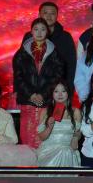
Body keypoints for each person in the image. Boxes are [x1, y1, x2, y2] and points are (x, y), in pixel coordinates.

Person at [13, 17, 66, 146]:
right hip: (28, 100)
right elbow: (18, 77)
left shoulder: (54, 52)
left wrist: (43, 94)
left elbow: (57, 76)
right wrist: (31, 94)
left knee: (43, 137)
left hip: (46, 101)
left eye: (43, 29)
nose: (39, 32)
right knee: (27, 136)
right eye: (36, 29)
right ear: (31, 31)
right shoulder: (22, 53)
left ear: (47, 32)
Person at [21, 2, 77, 93]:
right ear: (39, 15)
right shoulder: (29, 36)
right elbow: (22, 64)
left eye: (52, 13)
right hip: (33, 88)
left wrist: (69, 89)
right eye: (45, 13)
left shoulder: (65, 37)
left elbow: (71, 65)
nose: (49, 16)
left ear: (57, 16)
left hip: (58, 90)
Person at [35, 81, 81, 168]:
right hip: (48, 151)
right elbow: (41, 137)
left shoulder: (75, 112)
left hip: (68, 150)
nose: (60, 94)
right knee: (63, 152)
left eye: (63, 91)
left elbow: (78, 133)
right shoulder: (45, 111)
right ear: (52, 94)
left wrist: (76, 137)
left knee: (65, 151)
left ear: (68, 93)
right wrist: (49, 127)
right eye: (56, 91)